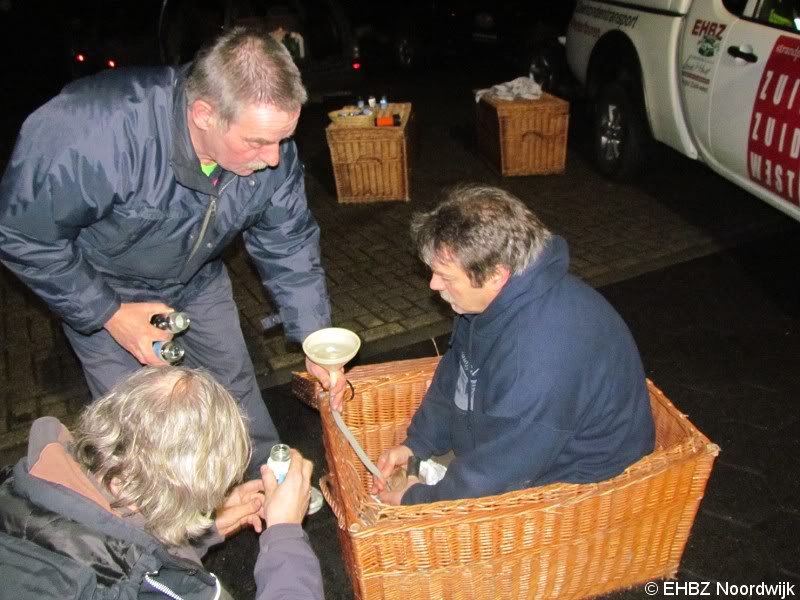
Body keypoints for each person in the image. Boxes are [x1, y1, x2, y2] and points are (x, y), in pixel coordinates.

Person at [0, 25, 343, 477]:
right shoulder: (95, 132)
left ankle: (267, 487)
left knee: (234, 390)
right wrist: (109, 313)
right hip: (104, 289)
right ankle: (167, 530)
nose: (274, 158)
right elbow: (22, 233)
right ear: (204, 114)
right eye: (258, 142)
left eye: (283, 138)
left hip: (196, 280)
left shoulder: (269, 153)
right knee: (142, 424)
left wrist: (316, 338)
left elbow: (289, 241)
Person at [370, 184, 655, 505]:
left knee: (404, 521)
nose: (434, 285)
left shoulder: (541, 355)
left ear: (496, 276)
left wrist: (416, 499)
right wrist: (416, 446)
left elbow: (500, 471)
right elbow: (457, 373)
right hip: (514, 441)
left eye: (446, 277)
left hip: (576, 474)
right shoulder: (488, 302)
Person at [0, 366, 323, 599]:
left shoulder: (20, 486)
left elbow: (119, 538)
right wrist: (285, 534)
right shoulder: (159, 588)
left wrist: (197, 532)